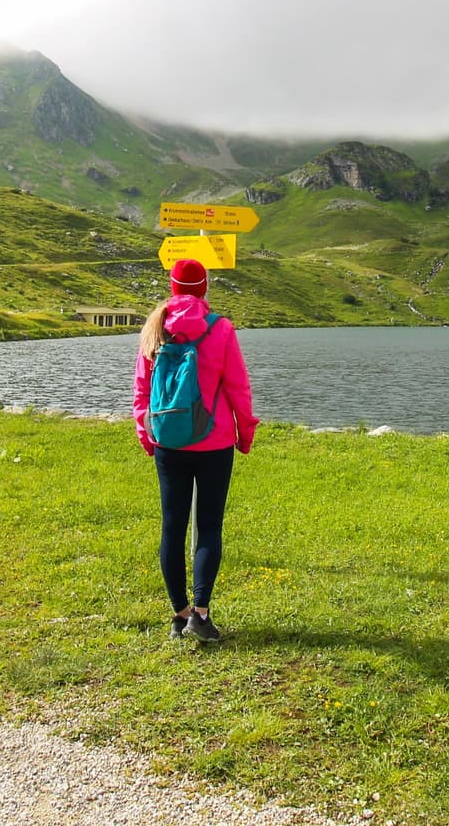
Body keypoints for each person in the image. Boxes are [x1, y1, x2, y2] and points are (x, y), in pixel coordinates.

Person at [133, 258, 257, 643]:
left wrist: (146, 433)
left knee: (172, 527)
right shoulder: (220, 328)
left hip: (168, 439)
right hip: (215, 441)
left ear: (173, 287)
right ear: (205, 288)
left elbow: (141, 390)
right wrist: (245, 433)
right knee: (209, 526)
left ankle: (178, 614)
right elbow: (238, 387)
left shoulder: (154, 327)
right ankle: (201, 615)